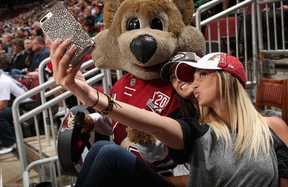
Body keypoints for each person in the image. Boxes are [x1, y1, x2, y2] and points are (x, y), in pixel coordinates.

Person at [51, 40, 288, 186]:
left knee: (107, 153)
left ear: (229, 79)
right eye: (186, 77)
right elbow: (155, 124)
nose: (192, 83)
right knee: (105, 151)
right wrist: (85, 93)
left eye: (201, 74)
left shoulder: (273, 127)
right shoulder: (199, 129)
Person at [0, 53, 32, 155]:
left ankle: (10, 143)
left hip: (26, 108)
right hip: (17, 106)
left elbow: (2, 106)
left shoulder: (3, 82)